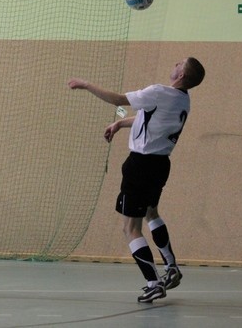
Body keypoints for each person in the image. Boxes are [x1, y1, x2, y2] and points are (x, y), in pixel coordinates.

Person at [68, 57, 205, 303]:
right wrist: (121, 123)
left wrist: (87, 85)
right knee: (152, 213)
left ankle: (153, 282)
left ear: (182, 75)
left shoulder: (158, 92)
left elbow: (119, 100)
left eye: (180, 63)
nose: (174, 62)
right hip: (161, 164)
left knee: (130, 228)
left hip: (140, 165)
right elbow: (149, 120)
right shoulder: (183, 99)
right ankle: (171, 266)